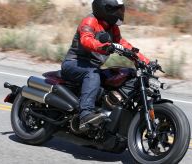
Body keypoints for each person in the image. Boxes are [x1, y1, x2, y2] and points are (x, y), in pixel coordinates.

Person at [61, 0, 150, 131]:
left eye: (121, 9)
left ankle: (112, 107)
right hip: (74, 63)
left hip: (95, 67)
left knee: (128, 73)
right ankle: (85, 114)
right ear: (104, 9)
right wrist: (105, 47)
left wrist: (145, 62)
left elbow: (123, 44)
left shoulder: (112, 27)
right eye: (116, 10)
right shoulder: (90, 21)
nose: (120, 13)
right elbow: (86, 39)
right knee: (92, 74)